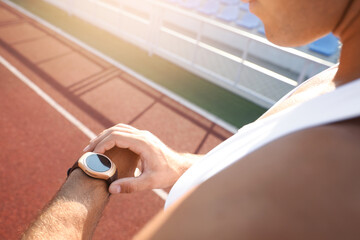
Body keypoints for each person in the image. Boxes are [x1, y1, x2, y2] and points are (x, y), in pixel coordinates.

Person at [23, 0, 360, 239]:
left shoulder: (326, 172)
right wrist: (183, 166)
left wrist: (89, 176)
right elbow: (251, 163)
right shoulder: (335, 80)